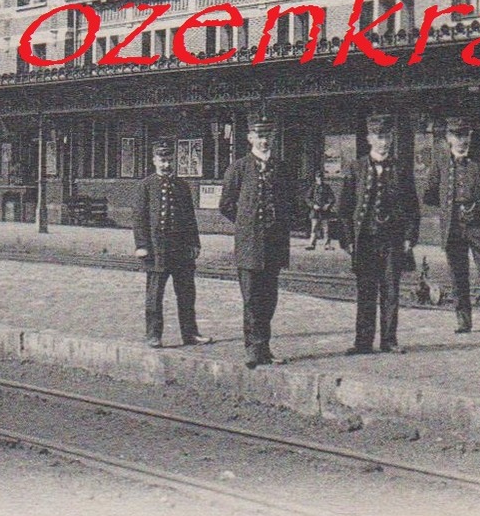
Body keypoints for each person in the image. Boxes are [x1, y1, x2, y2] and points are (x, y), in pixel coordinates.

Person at [338, 114, 420, 354]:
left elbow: (413, 208)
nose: (384, 142)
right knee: (365, 291)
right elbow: (345, 209)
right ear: (369, 139)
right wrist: (348, 240)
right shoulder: (356, 168)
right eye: (379, 137)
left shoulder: (401, 169)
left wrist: (409, 238)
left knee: (391, 291)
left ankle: (389, 340)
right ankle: (363, 342)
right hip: (366, 240)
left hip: (392, 240)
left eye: (387, 137)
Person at [422, 116, 480, 334]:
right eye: (457, 136)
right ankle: (463, 321)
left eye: (466, 135)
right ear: (449, 138)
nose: (462, 141)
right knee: (457, 275)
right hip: (453, 227)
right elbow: (429, 194)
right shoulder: (441, 162)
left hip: (479, 226)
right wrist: (448, 208)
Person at [218, 118, 293, 370]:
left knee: (269, 298)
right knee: (251, 299)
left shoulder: (281, 168)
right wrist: (247, 225)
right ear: (249, 138)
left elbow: (288, 203)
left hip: (274, 246)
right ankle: (253, 349)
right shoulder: (238, 168)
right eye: (258, 135)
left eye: (268, 135)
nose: (264, 139)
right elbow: (226, 205)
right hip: (250, 246)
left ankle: (265, 348)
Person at [134, 140, 210, 349]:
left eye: (169, 160)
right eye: (162, 160)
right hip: (157, 249)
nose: (166, 164)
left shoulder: (182, 185)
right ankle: (153, 335)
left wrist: (194, 243)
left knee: (186, 294)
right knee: (154, 294)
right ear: (154, 161)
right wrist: (142, 245)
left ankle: (190, 333)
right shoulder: (145, 186)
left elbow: (190, 217)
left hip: (181, 250)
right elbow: (139, 219)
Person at [305, 170, 336, 250]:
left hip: (325, 211)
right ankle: (312, 244)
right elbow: (308, 198)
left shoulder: (327, 187)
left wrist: (328, 205)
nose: (320, 179)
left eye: (321, 177)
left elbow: (332, 198)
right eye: (318, 177)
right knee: (314, 229)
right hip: (315, 211)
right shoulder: (313, 187)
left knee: (326, 229)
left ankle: (327, 245)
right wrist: (313, 205)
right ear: (316, 178)